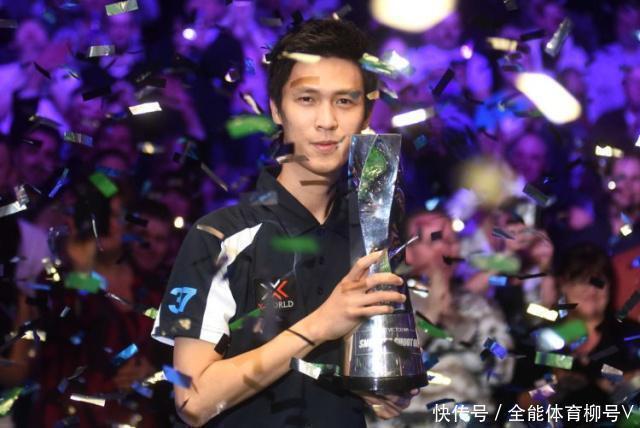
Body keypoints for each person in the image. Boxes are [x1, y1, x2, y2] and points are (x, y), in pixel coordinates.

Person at [151, 18, 416, 427]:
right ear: (277, 108)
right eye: (307, 99)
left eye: (344, 101)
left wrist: (385, 389)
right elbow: (193, 401)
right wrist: (320, 325)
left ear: (366, 112)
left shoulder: (373, 232)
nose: (326, 121)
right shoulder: (221, 236)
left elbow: (378, 384)